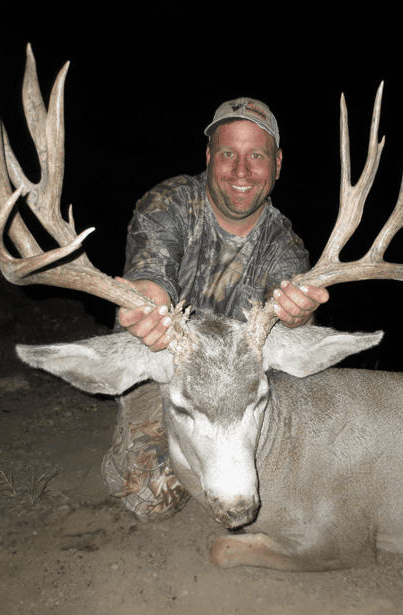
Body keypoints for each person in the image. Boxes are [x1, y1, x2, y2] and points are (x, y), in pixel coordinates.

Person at [101, 97, 329, 521]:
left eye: (256, 156)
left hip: (235, 379)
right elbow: (152, 271)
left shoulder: (283, 243)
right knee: (153, 497)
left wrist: (300, 316)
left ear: (277, 163)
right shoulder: (169, 203)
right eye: (228, 154)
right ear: (209, 157)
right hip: (166, 364)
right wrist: (149, 303)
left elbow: (293, 307)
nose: (241, 171)